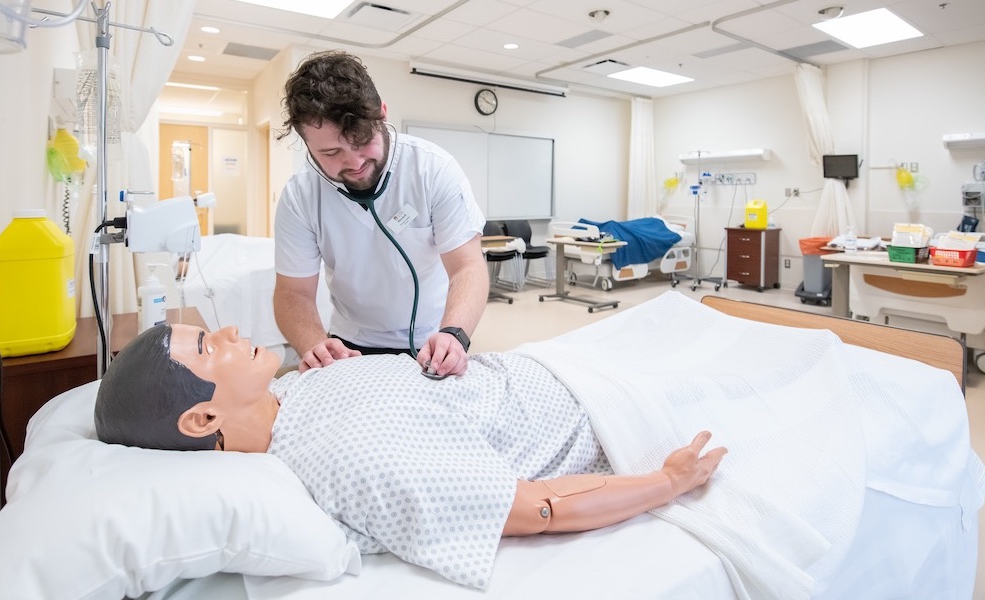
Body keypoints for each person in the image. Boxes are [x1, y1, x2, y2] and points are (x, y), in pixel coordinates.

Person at [95, 323, 726, 588]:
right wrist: (667, 482)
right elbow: (540, 509)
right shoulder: (352, 460)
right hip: (598, 408)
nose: (231, 331)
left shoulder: (293, 388)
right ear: (203, 418)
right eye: (208, 345)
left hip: (551, 364)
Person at [272, 50, 489, 377]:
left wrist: (454, 333)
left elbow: (468, 267)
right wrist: (314, 344)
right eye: (331, 152)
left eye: (362, 141)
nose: (354, 162)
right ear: (307, 145)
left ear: (382, 114)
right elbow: (293, 293)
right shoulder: (300, 196)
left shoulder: (432, 169)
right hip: (348, 345)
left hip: (434, 337)